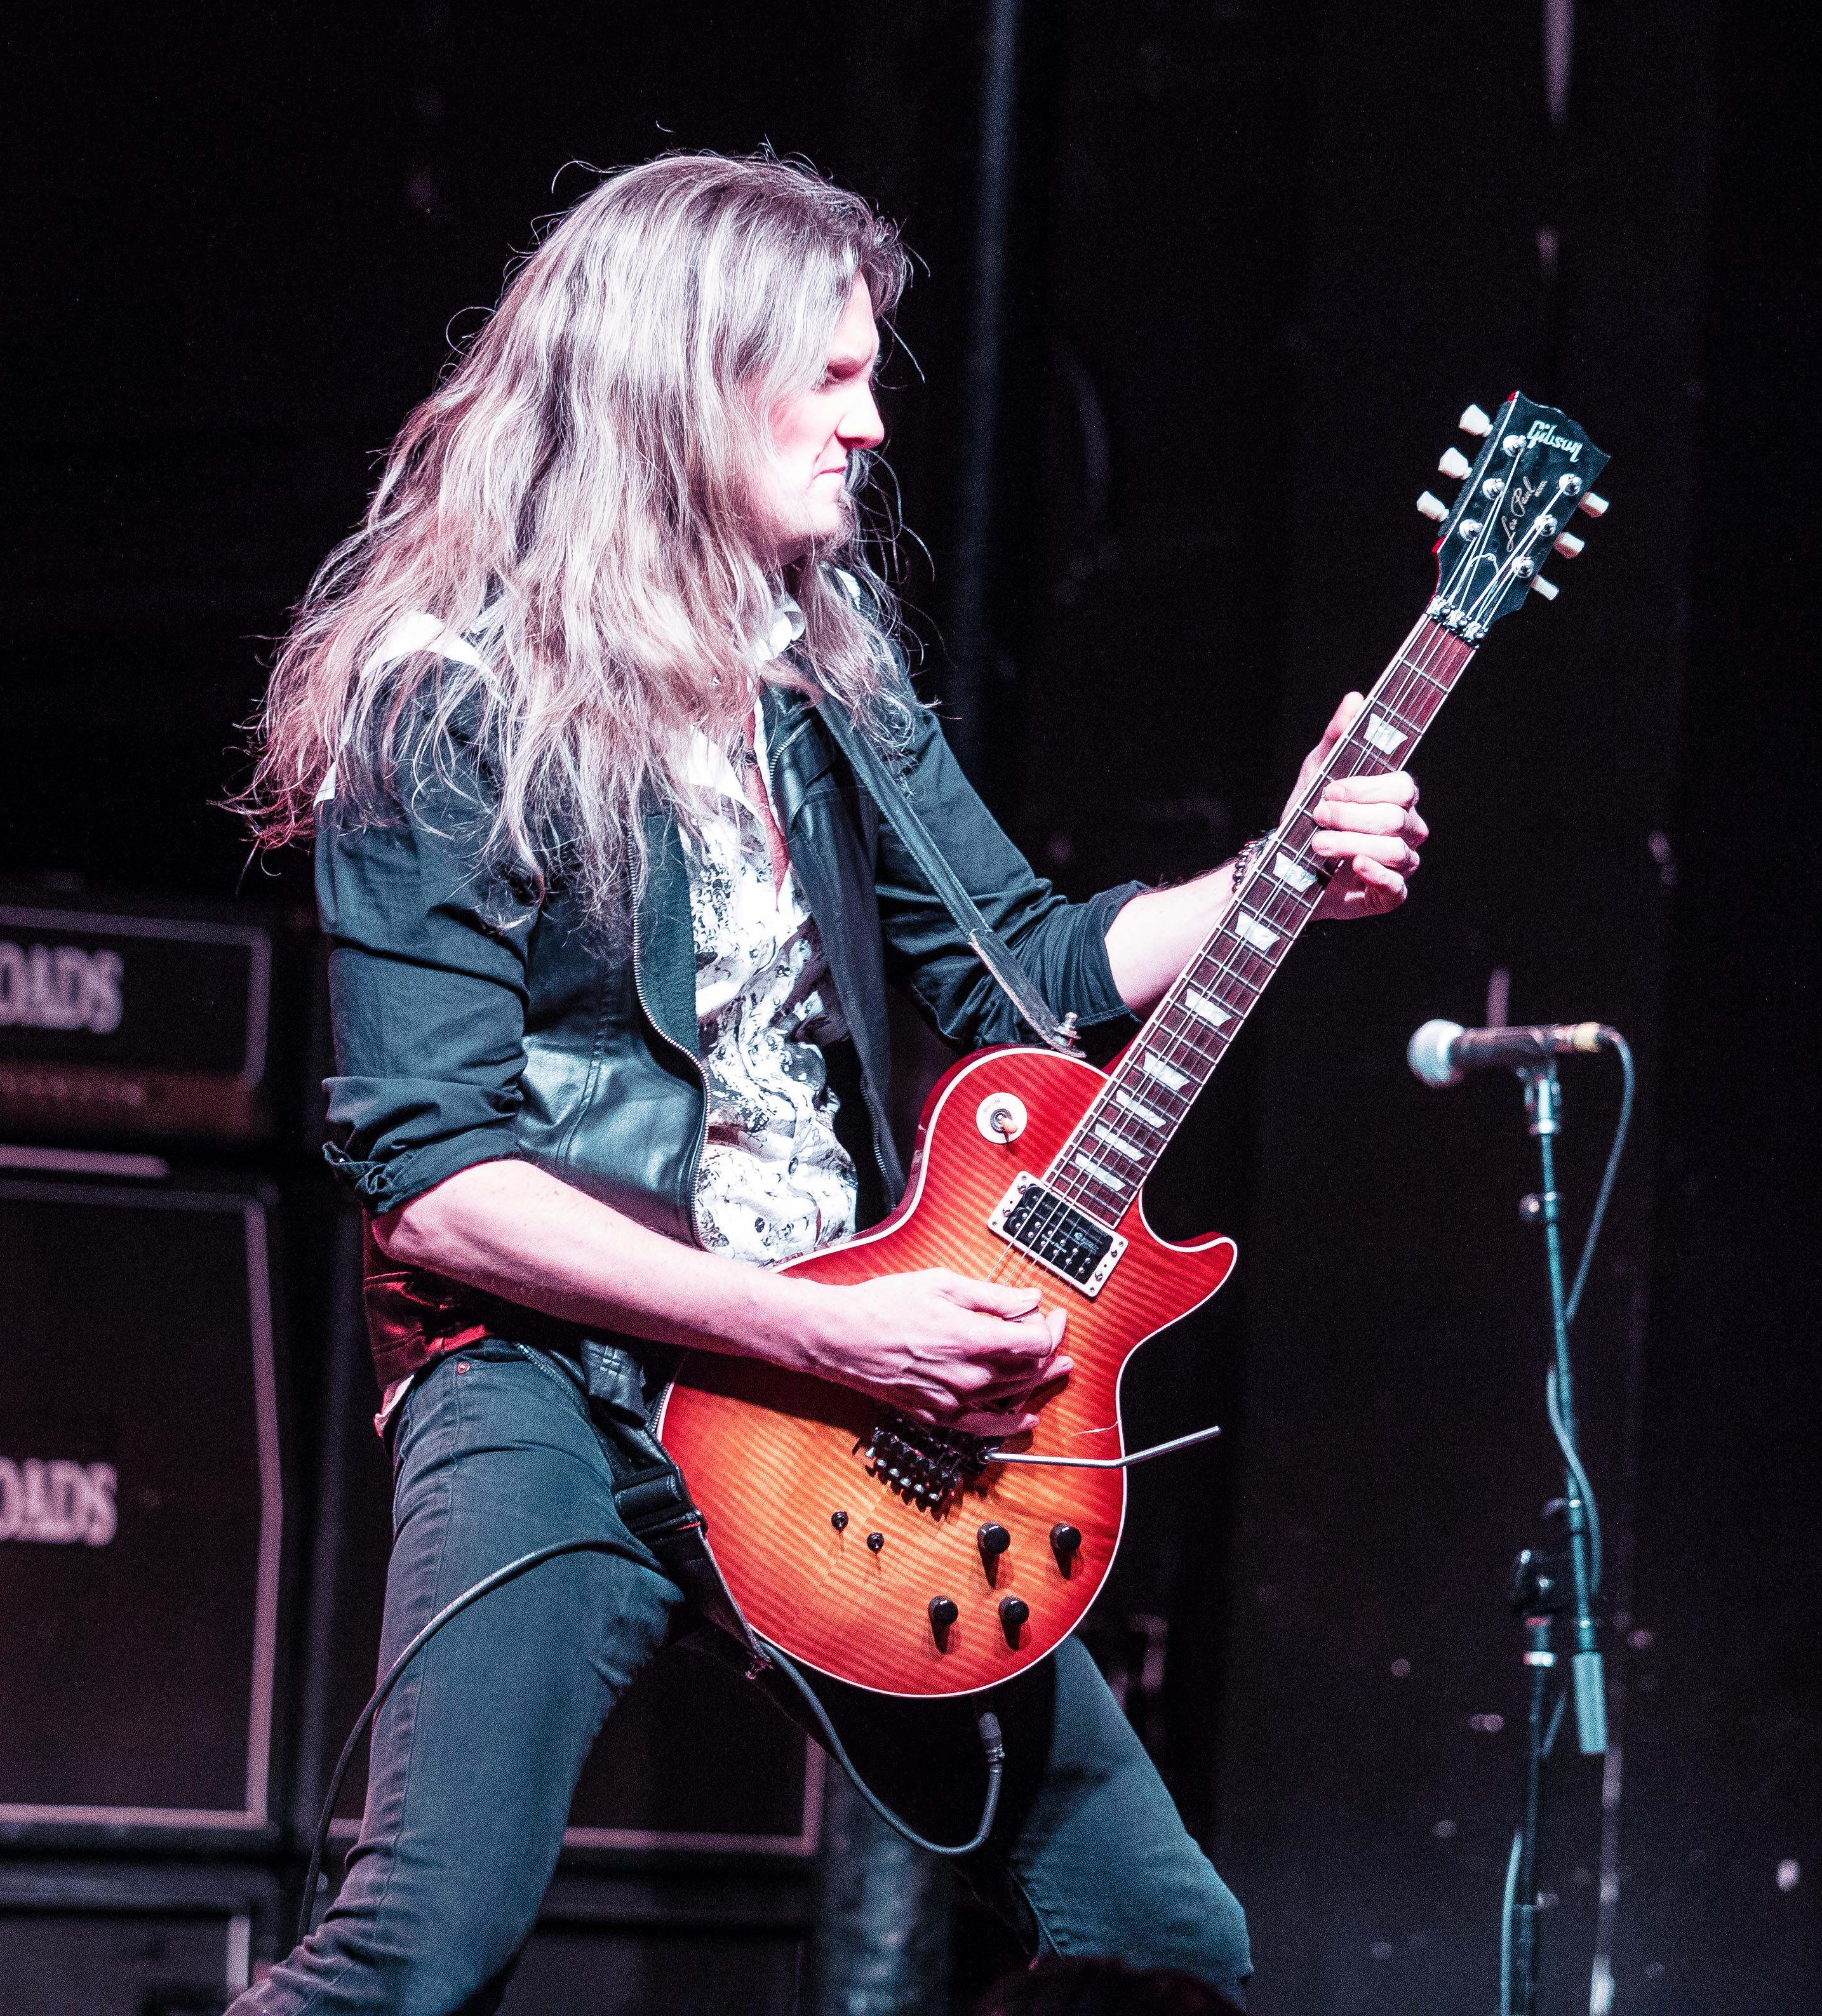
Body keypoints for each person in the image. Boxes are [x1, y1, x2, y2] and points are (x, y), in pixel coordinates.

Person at [229, 152, 1426, 2016]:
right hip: (562, 1386)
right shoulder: (444, 698)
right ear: (684, 384)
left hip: (829, 1415)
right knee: (417, 1952)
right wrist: (823, 1334)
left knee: (1159, 1934)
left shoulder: (818, 680)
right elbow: (439, 1183)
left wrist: (1277, 869)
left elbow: (1026, 964)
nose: (872, 425)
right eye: (836, 378)